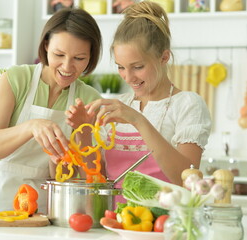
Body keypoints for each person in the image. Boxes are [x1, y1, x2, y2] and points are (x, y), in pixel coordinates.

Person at [66, 1, 212, 204]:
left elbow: (187, 179)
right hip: (116, 222)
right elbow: (96, 176)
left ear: (164, 57)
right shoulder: (118, 105)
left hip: (163, 225)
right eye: (121, 67)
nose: (128, 77)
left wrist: (138, 120)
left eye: (138, 66)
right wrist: (84, 131)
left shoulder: (188, 105)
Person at [0, 8, 102, 212]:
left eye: (79, 58)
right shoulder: (16, 79)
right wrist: (31, 127)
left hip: (43, 207)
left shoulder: (89, 99)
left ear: (91, 56)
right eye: (59, 54)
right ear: (46, 45)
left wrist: (82, 134)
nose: (67, 66)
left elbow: (87, 178)